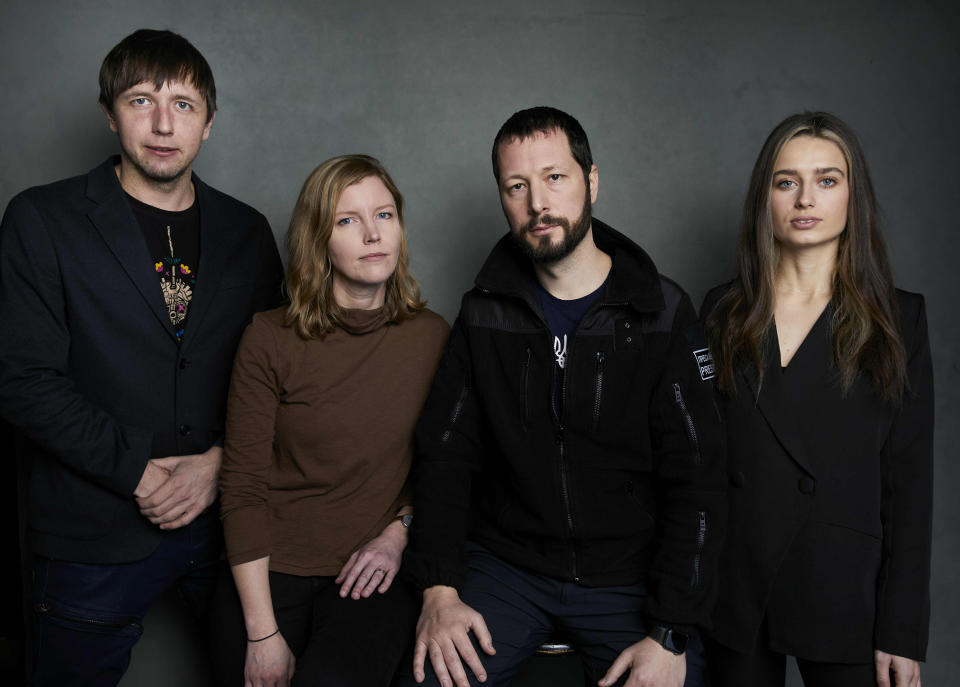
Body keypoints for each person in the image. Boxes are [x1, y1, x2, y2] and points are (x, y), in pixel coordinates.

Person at [398, 106, 727, 687]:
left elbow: (699, 478)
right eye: (516, 186)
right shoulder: (484, 313)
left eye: (555, 178)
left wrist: (671, 629)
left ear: (591, 181)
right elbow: (446, 457)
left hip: (630, 577)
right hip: (507, 568)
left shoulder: (663, 313)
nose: (538, 203)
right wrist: (439, 591)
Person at [0, 28, 284, 686]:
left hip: (227, 532)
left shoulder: (247, 231)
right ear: (109, 112)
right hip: (88, 535)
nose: (163, 123)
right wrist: (140, 473)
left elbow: (274, 376)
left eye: (184, 104)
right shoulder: (42, 219)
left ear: (208, 122)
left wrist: (219, 464)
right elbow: (21, 380)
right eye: (140, 100)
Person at [700, 112, 932, 687]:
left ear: (854, 195)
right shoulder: (721, 312)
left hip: (843, 590)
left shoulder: (899, 319)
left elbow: (909, 485)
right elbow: (697, 466)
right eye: (786, 182)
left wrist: (900, 631)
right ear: (766, 198)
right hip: (736, 591)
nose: (806, 198)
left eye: (827, 180)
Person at [211, 154, 449, 687]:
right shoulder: (268, 338)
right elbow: (243, 486)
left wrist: (400, 531)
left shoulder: (433, 337)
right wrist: (261, 634)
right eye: (347, 220)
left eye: (384, 215)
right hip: (265, 570)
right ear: (319, 239)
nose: (372, 233)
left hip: (371, 573)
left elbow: (447, 466)